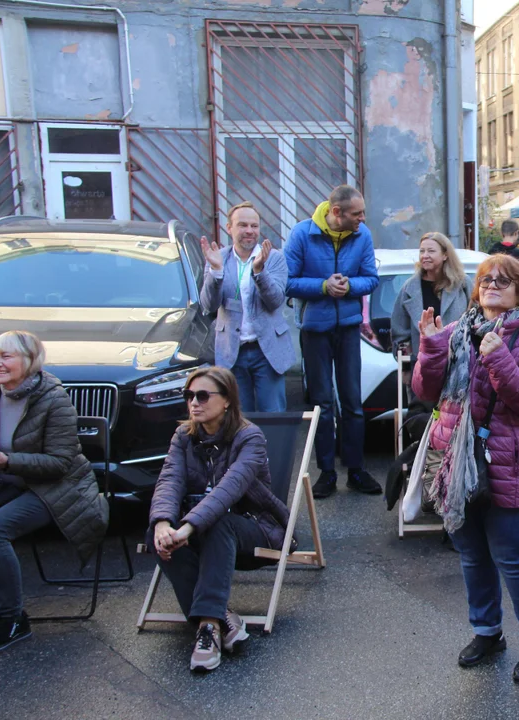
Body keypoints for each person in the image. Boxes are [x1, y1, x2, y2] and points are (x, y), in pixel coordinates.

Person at [412, 254, 519, 683]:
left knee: (515, 559)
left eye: (504, 280)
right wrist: (431, 347)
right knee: (473, 557)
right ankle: (487, 632)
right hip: (455, 465)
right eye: (486, 279)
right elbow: (425, 392)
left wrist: (499, 358)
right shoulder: (455, 332)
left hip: (510, 464)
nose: (492, 284)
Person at [148, 367, 291, 671]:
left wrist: (187, 526)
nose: (194, 403)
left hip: (253, 529)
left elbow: (229, 489)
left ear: (227, 400)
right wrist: (162, 523)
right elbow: (169, 481)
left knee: (217, 521)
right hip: (203, 532)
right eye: (189, 396)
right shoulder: (183, 436)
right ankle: (215, 623)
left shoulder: (249, 437)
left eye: (202, 395)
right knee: (154, 534)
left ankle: (207, 625)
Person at [0, 331, 108, 655]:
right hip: (11, 481)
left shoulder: (53, 399)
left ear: (29, 361)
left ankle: (12, 619)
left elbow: (60, 463)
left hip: (58, 489)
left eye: (5, 357)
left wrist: (7, 461)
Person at [284, 185, 381, 499]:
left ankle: (355, 471)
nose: (362, 219)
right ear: (336, 212)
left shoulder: (361, 235)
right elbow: (286, 281)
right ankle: (326, 472)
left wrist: (349, 285)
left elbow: (371, 278)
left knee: (353, 402)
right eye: (357, 213)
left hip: (349, 329)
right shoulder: (302, 234)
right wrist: (324, 286)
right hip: (314, 330)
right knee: (322, 405)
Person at [199, 202, 295, 413]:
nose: (249, 231)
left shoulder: (274, 258)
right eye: (243, 225)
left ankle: (274, 448)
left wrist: (260, 272)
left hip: (267, 350)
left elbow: (275, 301)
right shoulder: (218, 258)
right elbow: (208, 305)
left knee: (273, 415)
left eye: (254, 226)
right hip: (232, 351)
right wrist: (215, 273)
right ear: (229, 227)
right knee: (238, 417)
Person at [391, 232, 471, 363]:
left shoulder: (462, 283)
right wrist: (405, 367)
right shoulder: (410, 288)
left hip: (458, 363)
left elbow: (477, 319)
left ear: (445, 255)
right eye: (422, 251)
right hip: (421, 365)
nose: (425, 256)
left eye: (431, 251)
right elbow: (400, 334)